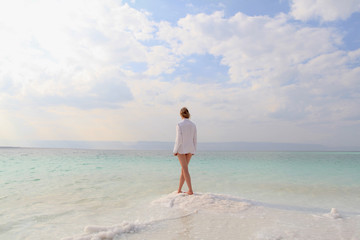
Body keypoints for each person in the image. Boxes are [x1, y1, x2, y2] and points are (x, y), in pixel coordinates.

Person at [173, 107, 197, 195]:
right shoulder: (193, 125)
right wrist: (194, 150)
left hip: (181, 148)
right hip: (190, 148)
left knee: (185, 169)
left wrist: (175, 150)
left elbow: (178, 139)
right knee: (184, 169)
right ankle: (179, 189)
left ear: (180, 114)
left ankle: (190, 190)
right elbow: (195, 139)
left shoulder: (179, 124)